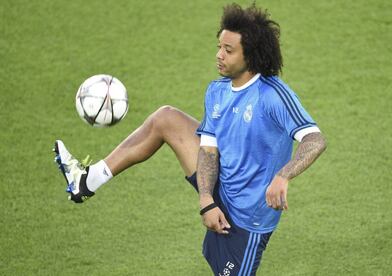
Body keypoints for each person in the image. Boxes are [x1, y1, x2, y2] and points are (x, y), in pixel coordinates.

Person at [54, 3, 327, 275]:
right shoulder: (217, 91)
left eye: (228, 50)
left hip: (247, 220)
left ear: (251, 56)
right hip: (222, 186)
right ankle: (87, 181)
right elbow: (208, 152)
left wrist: (283, 175)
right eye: (219, 46)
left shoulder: (272, 95)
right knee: (166, 119)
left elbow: (314, 140)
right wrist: (207, 200)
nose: (219, 55)